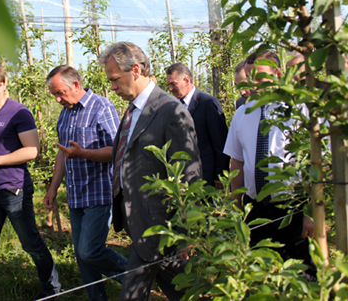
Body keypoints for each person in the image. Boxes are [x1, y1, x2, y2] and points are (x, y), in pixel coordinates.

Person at [98, 42, 202, 301]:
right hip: (141, 223)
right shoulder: (133, 110)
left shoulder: (170, 110)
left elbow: (189, 173)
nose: (111, 87)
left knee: (135, 292)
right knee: (181, 290)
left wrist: (189, 229)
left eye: (114, 79)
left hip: (162, 226)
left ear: (135, 70)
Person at [0, 65, 61, 301]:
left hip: (15, 189)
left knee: (30, 243)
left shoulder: (19, 113)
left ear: (5, 83)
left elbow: (32, 150)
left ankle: (53, 289)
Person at [223, 51, 316, 280]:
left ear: (278, 74)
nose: (253, 85)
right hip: (255, 209)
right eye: (249, 78)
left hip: (293, 208)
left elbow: (316, 163)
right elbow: (237, 160)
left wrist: (312, 213)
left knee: (302, 275)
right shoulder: (242, 114)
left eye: (260, 78)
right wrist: (236, 206)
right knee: (260, 275)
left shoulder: (299, 111)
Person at [44, 65, 128, 301]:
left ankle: (136, 275)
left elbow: (116, 150)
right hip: (75, 195)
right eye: (55, 95)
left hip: (99, 192)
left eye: (60, 93)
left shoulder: (101, 107)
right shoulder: (65, 112)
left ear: (76, 85)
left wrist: (83, 154)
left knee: (90, 251)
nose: (58, 99)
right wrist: (53, 188)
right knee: (83, 258)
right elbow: (63, 153)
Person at [166, 62, 229, 189]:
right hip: (184, 179)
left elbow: (220, 143)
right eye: (169, 85)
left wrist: (220, 175)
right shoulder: (174, 106)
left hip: (206, 177)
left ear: (186, 80)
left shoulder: (208, 103)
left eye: (173, 84)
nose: (170, 89)